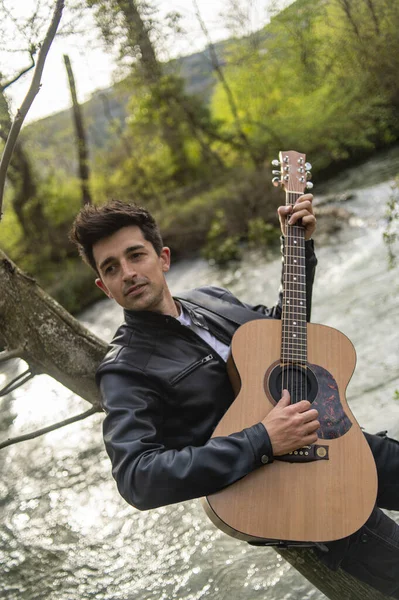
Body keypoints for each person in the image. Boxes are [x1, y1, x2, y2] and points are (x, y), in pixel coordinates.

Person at [70, 196, 399, 598]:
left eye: (135, 255)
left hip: (336, 438)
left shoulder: (213, 298)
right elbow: (137, 477)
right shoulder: (125, 370)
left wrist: (300, 250)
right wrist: (261, 439)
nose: (128, 272)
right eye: (111, 268)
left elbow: (284, 336)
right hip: (292, 492)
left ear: (163, 258)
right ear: (104, 287)